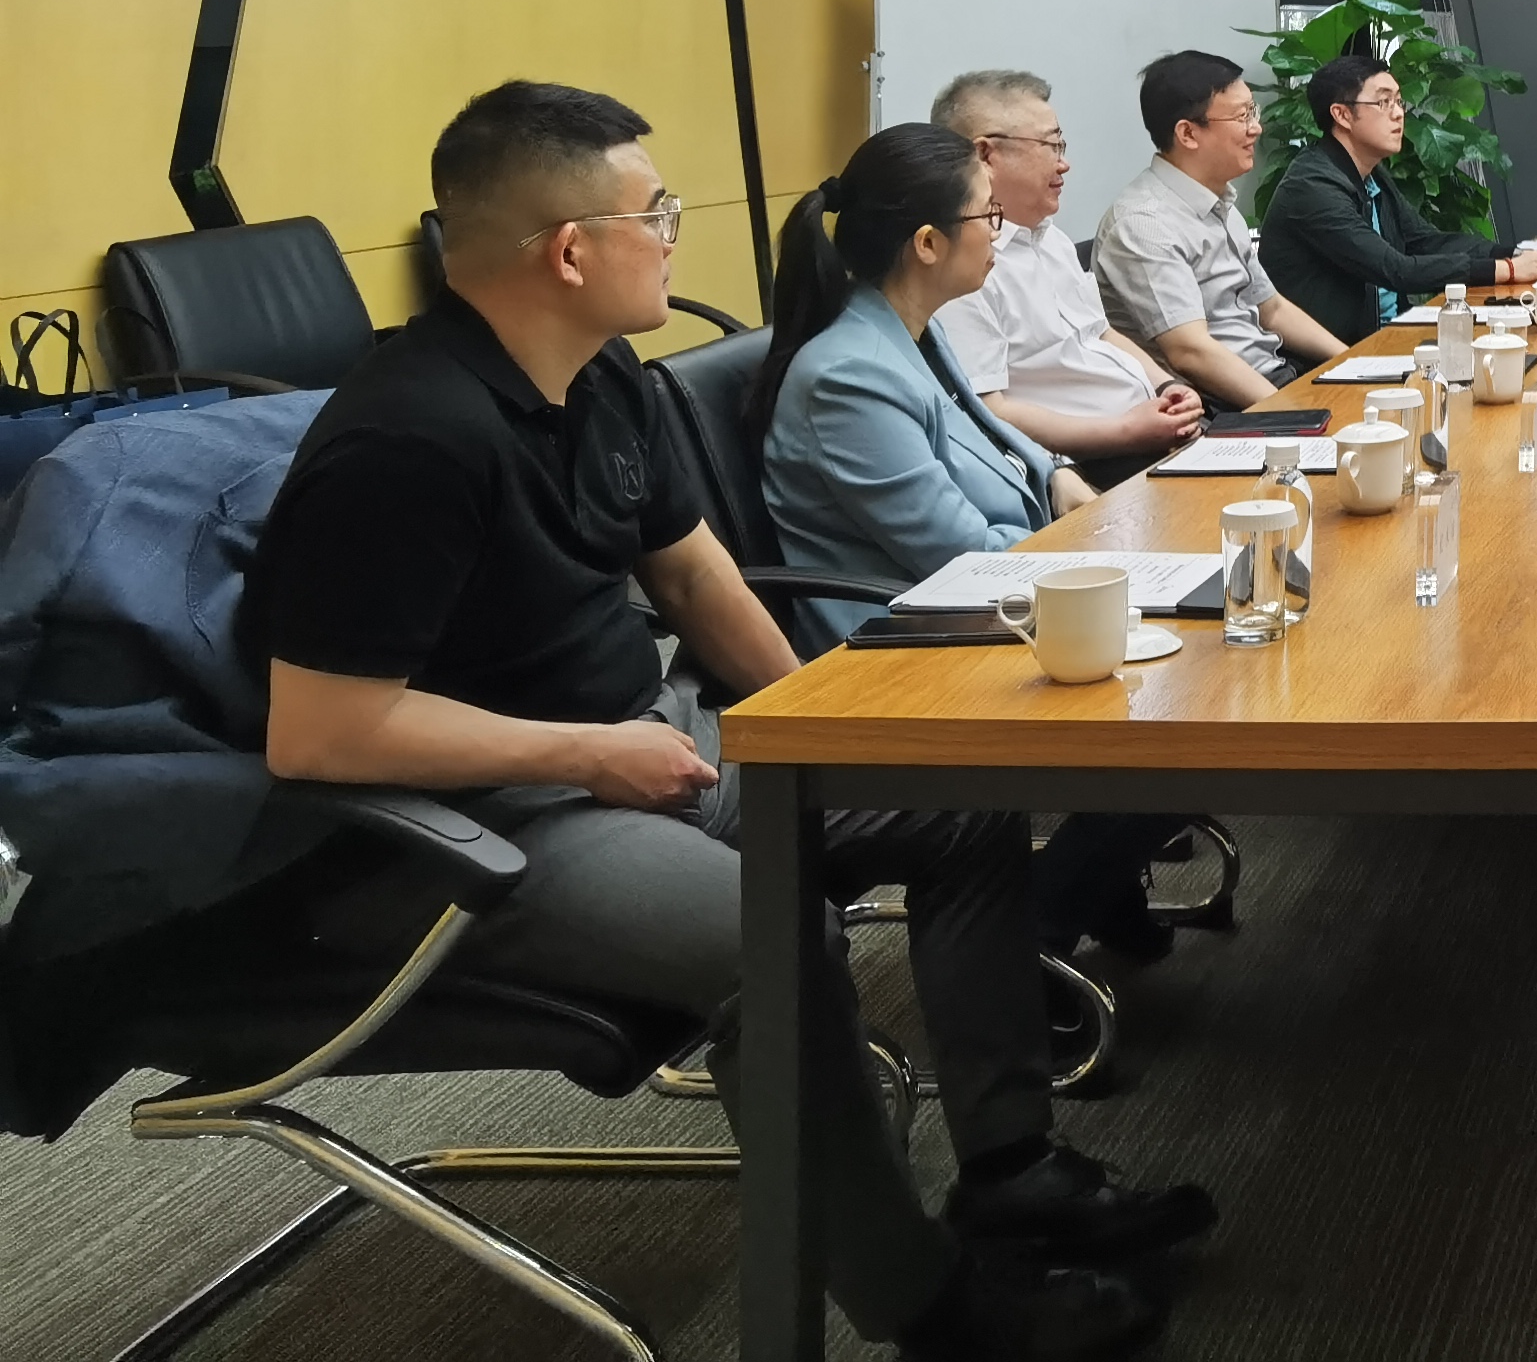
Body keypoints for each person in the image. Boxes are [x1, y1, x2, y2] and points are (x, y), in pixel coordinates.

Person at [243, 82, 1207, 1362]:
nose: (674, 235)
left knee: (956, 808)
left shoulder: (599, 378)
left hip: (633, 741)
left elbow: (696, 578)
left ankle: (1010, 1168)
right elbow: (321, 733)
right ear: (571, 250)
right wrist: (588, 753)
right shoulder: (409, 439)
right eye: (658, 213)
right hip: (466, 818)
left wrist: (817, 727)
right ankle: (930, 1308)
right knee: (771, 939)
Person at [754, 123, 1178, 966]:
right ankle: (1043, 921)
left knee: (1189, 682)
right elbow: (958, 558)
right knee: (1177, 720)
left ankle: (1084, 892)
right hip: (913, 638)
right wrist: (1094, 557)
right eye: (988, 216)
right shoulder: (849, 374)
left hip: (985, 593)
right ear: (926, 242)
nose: (1000, 231)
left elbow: (1003, 444)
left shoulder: (913, 329)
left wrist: (1062, 479)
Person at [931, 71, 1204, 473]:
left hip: (1151, 431)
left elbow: (1101, 332)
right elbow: (990, 410)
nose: (1064, 163)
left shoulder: (1050, 238)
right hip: (1089, 464)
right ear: (986, 155)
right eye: (1050, 145)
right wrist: (1128, 431)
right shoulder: (961, 266)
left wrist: (1168, 386)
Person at [1092, 49, 1350, 409]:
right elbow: (1191, 352)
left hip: (1274, 377)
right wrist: (1291, 412)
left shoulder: (1220, 202)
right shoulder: (1144, 224)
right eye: (1242, 116)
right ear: (1188, 133)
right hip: (1223, 406)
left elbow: (1272, 309)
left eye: (1252, 111)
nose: (1256, 128)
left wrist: (1351, 363)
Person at [1256, 55, 1537, 345]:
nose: (1398, 113)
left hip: (1387, 337)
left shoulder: (1371, 174)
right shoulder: (1312, 186)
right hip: (1332, 357)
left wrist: (1517, 253)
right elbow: (1395, 269)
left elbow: (1426, 241)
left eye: (1399, 101)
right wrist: (1509, 270)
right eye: (1384, 102)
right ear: (1342, 115)